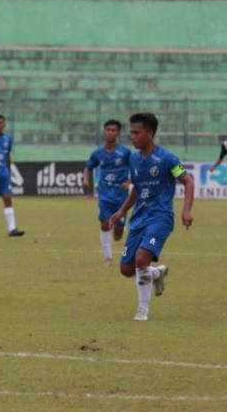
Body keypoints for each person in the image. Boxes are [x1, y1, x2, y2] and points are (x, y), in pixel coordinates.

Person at [109, 113, 194, 321]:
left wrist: (186, 210)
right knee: (126, 269)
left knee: (141, 258)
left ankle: (142, 310)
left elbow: (188, 181)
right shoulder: (134, 159)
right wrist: (121, 211)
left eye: (137, 133)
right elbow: (136, 188)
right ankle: (156, 273)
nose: (132, 137)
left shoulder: (167, 158)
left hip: (161, 217)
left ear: (150, 134)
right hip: (138, 219)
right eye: (131, 132)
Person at [82, 120, 132, 267]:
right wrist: (85, 179)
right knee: (104, 224)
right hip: (104, 195)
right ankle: (108, 258)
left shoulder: (125, 152)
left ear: (118, 133)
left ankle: (120, 229)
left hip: (121, 197)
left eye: (113, 130)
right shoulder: (98, 153)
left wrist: (129, 182)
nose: (110, 132)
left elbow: (136, 168)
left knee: (117, 233)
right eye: (108, 129)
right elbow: (88, 167)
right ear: (104, 132)